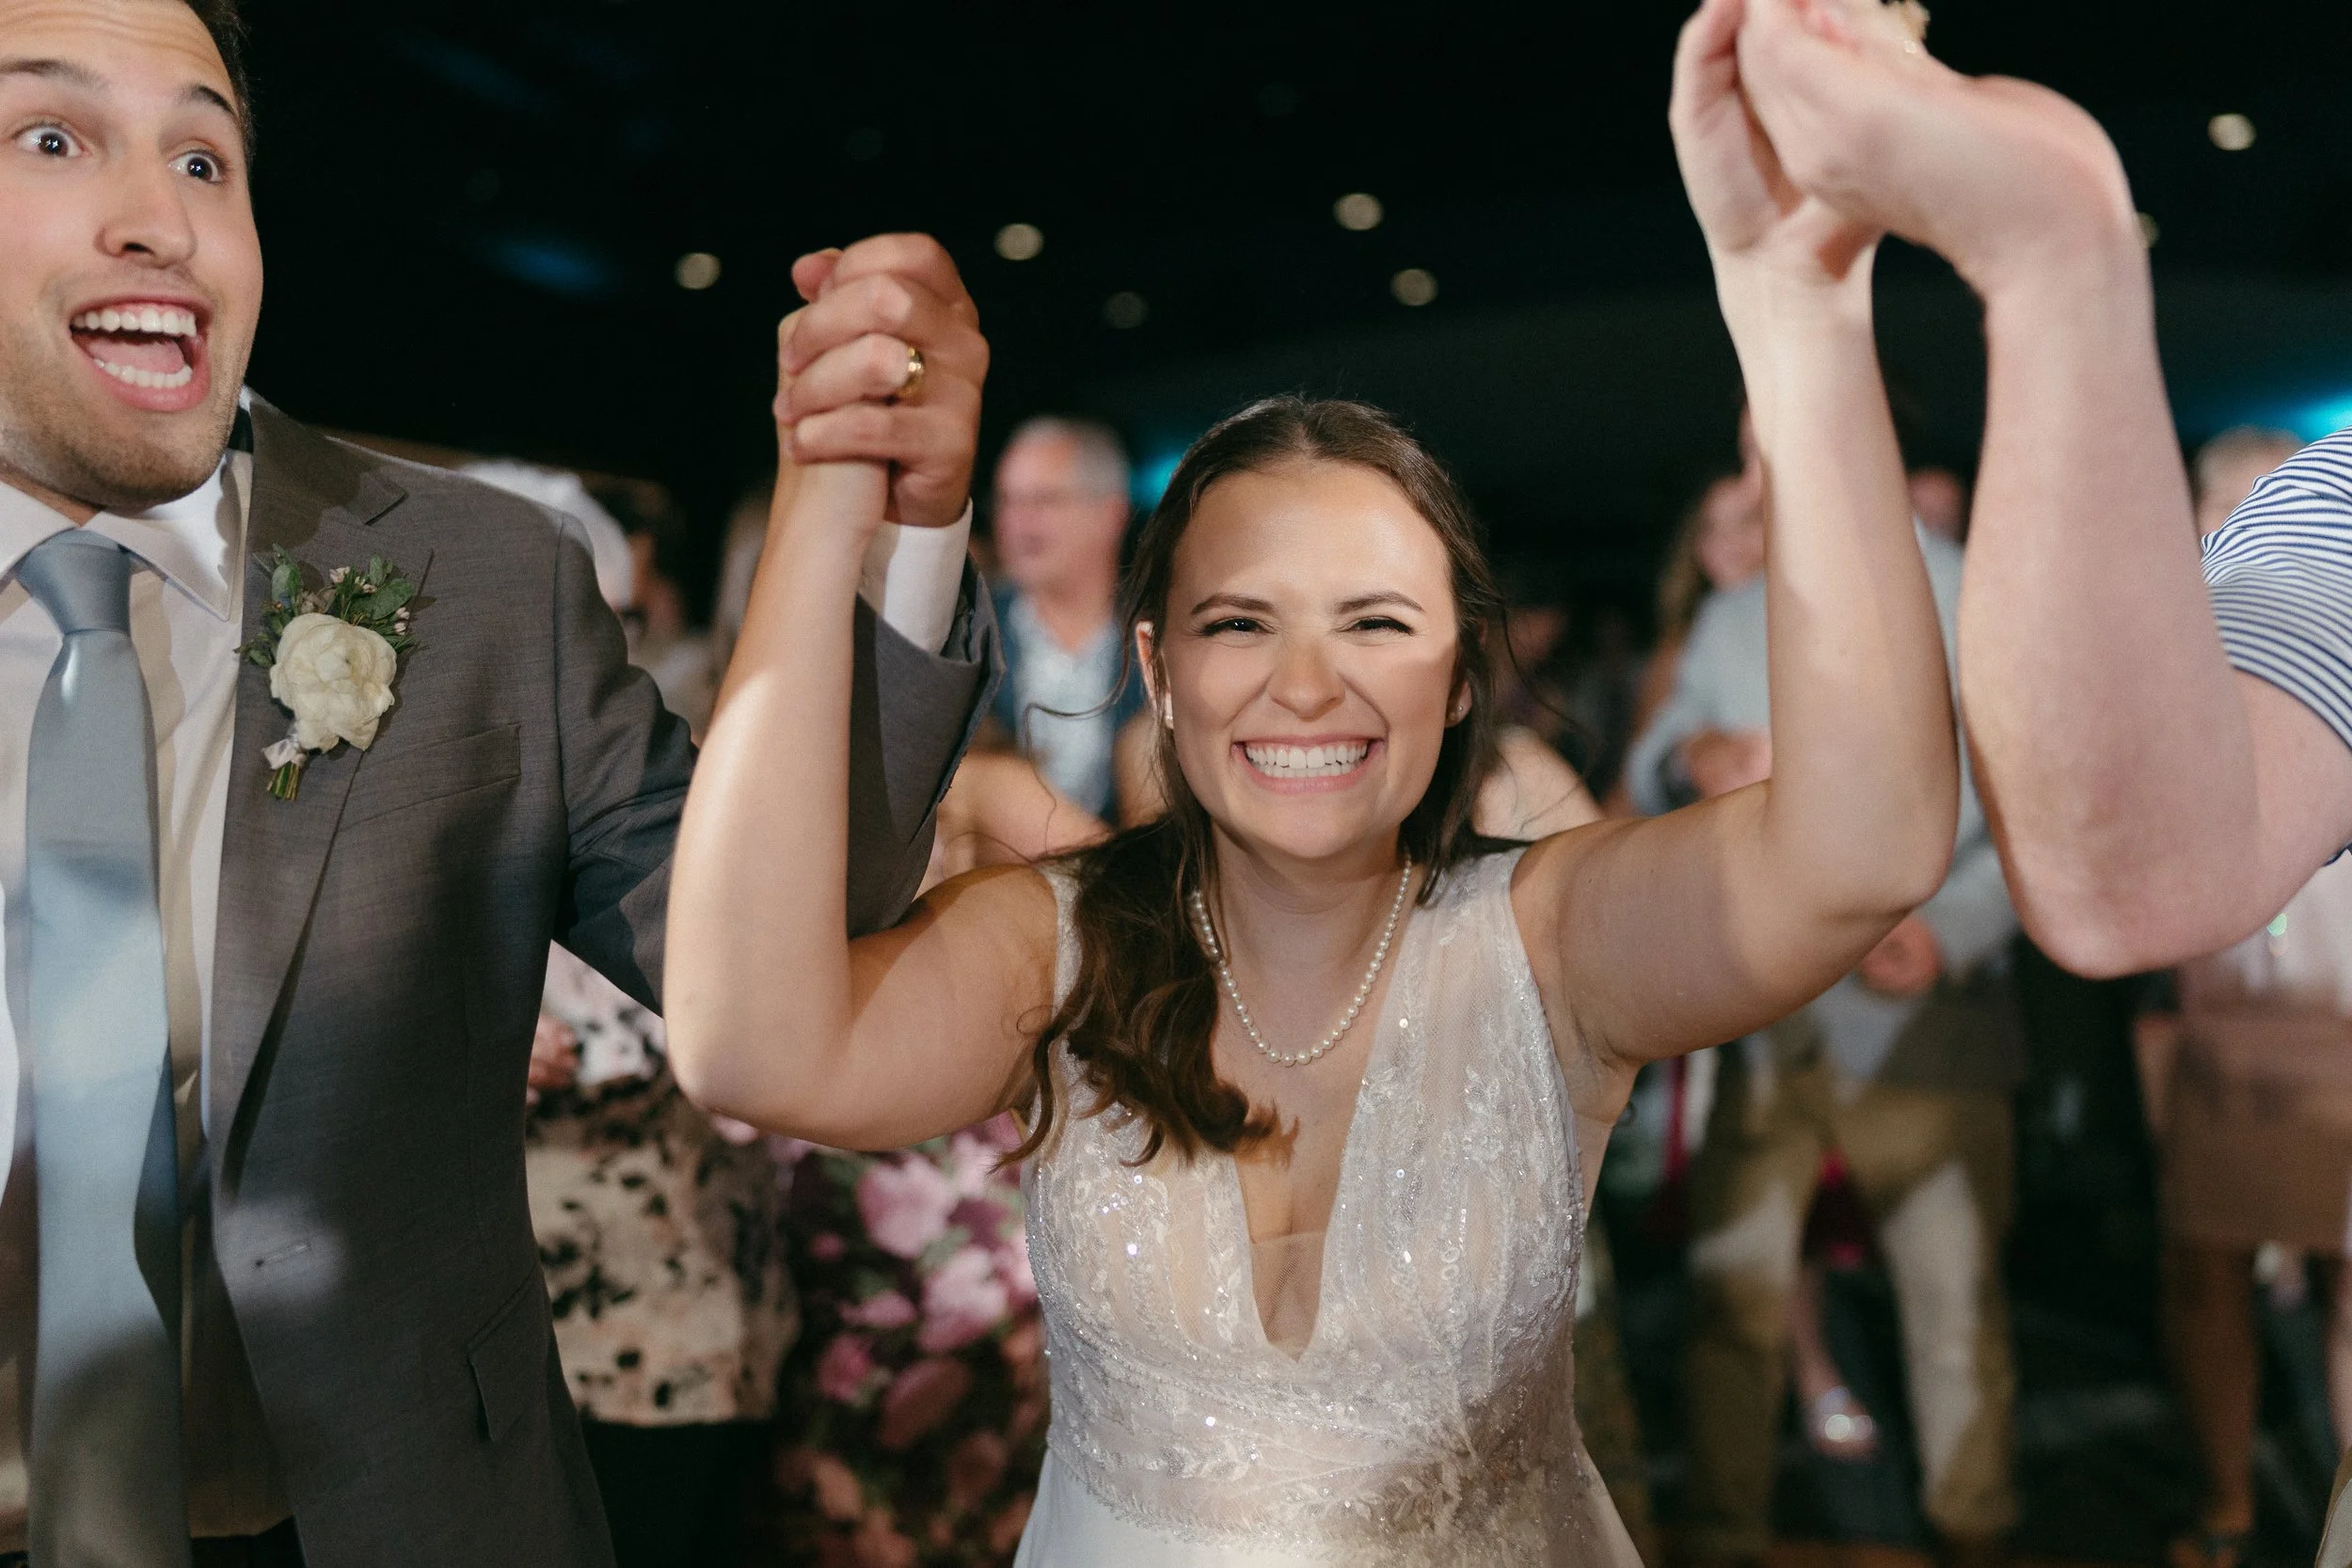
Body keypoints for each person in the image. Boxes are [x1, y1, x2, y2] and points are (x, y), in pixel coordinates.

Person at [664, 17, 1968, 1547]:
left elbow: (1869, 844)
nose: (1304, 684)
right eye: (1238, 624)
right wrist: (830, 484)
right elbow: (751, 1045)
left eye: (1378, 623)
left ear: (1463, 674)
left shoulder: (1550, 938)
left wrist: (1803, 309)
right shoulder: (1056, 945)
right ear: (1158, 671)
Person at [0, 2, 996, 1561]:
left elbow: (786, 937)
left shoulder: (472, 579)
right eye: (53, 137)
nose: (162, 220)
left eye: (205, 157)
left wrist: (900, 528)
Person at [1713, 0, 2352, 1547]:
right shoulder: (2334, 505)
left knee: (1956, 1308)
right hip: (1815, 1027)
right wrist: (2032, 267)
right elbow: (2134, 868)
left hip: (1941, 1011)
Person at [1626, 412, 2024, 1562]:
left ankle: (1972, 1527)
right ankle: (1721, 1533)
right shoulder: (1738, 608)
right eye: (1749, 447)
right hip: (1762, 1015)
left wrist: (1950, 930)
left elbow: (2039, 800)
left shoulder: (1978, 591)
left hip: (1922, 1019)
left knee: (1951, 1305)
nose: (1759, 474)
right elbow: (1655, 755)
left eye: (1779, 438)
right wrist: (1689, 756)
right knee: (1732, 1303)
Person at [990, 417, 1148, 819]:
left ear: (1111, 514)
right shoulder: (971, 631)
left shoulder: (1160, 636)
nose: (1019, 522)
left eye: (1045, 500)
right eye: (1008, 501)